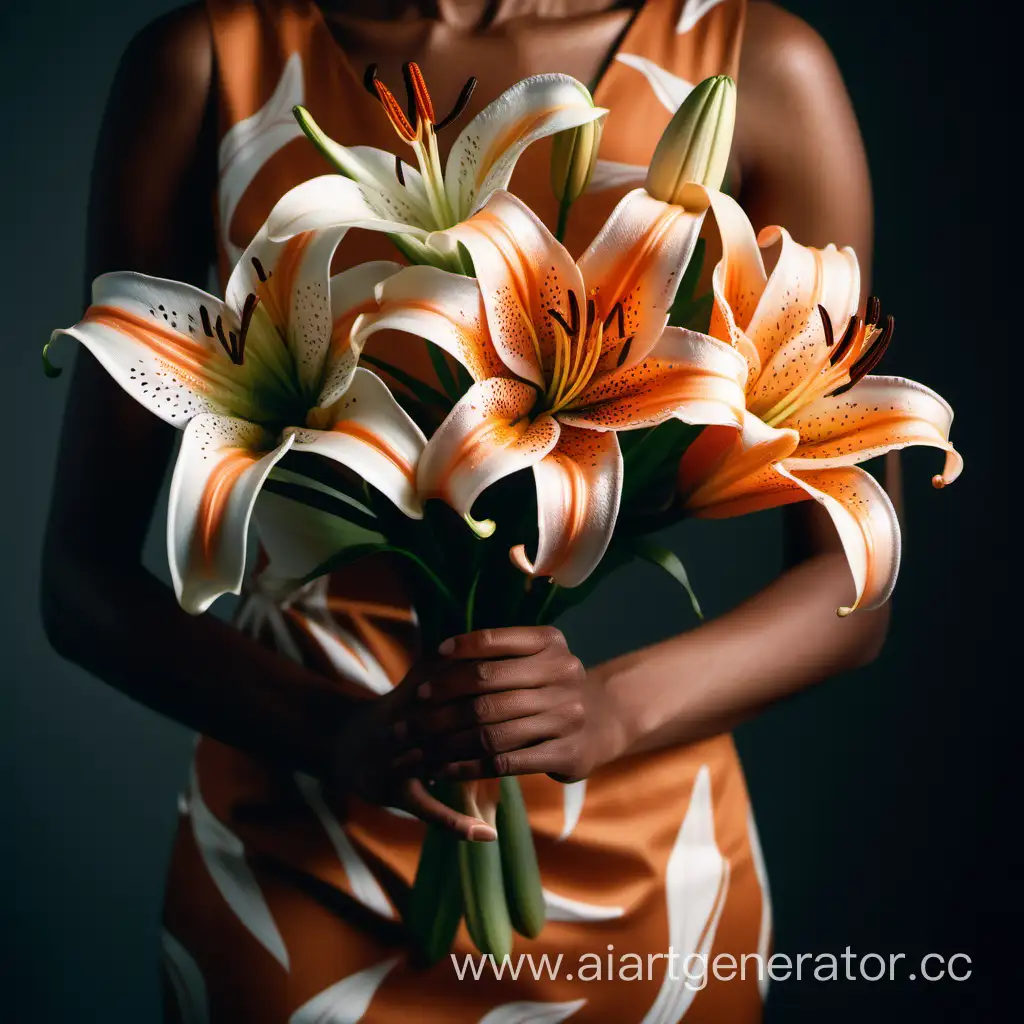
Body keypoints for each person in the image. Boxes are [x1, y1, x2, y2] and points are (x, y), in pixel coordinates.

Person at [41, 0, 887, 1019]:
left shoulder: (762, 63)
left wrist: (613, 710)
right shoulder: (205, 62)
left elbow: (854, 581)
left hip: (645, 836)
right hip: (302, 826)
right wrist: (341, 737)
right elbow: (79, 581)